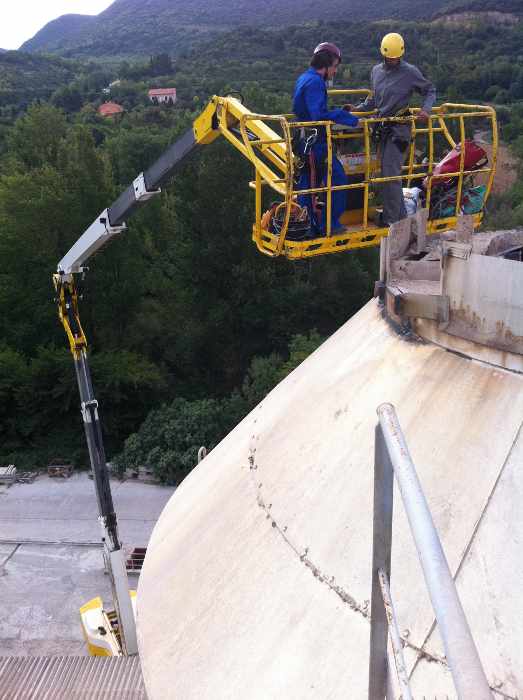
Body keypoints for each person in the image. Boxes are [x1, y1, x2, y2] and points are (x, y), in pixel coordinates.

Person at [353, 33, 436, 226]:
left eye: (396, 58)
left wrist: (426, 110)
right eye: (390, 58)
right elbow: (373, 100)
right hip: (381, 127)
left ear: (401, 54)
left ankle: (392, 221)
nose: (393, 61)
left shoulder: (410, 72)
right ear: (383, 54)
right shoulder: (376, 72)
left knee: (390, 173)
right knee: (386, 175)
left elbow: (430, 90)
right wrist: (357, 109)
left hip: (400, 129)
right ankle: (401, 219)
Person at [293, 42, 359, 235]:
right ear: (327, 63)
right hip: (315, 144)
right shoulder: (315, 82)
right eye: (336, 66)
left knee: (307, 185)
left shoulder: (305, 77)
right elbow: (318, 115)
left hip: (305, 141)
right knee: (337, 179)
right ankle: (328, 225)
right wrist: (349, 119)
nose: (336, 71)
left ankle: (308, 227)